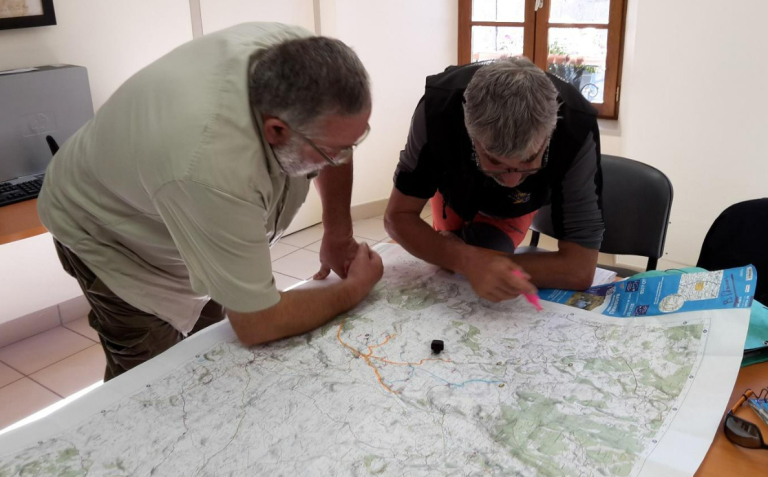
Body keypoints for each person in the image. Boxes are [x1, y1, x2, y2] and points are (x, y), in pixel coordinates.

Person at [37, 23, 383, 381]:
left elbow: (339, 138)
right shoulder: (211, 166)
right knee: (155, 384)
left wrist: (338, 233)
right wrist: (353, 288)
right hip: (112, 236)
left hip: (180, 191)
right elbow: (258, 322)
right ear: (277, 130)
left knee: (214, 362)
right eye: (330, 152)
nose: (341, 158)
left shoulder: (302, 62)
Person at [384, 57, 604, 303]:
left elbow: (580, 270)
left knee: (482, 254)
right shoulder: (438, 110)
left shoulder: (576, 127)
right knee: (444, 269)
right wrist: (464, 259)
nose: (511, 182)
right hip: (454, 187)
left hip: (519, 206)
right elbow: (397, 217)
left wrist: (474, 260)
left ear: (550, 134)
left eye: (529, 162)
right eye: (495, 163)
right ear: (469, 133)